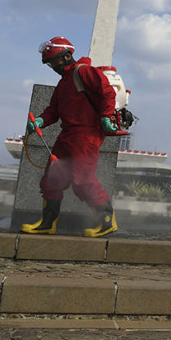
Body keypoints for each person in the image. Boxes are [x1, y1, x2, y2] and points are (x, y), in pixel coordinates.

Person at [22, 36, 119, 237]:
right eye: (49, 64)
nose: (52, 67)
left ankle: (106, 220)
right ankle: (47, 223)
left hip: (86, 134)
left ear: (67, 57)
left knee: (82, 179)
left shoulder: (83, 72)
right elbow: (53, 110)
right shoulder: (63, 83)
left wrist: (105, 116)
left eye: (54, 62)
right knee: (52, 177)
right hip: (67, 135)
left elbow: (107, 92)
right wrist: (40, 121)